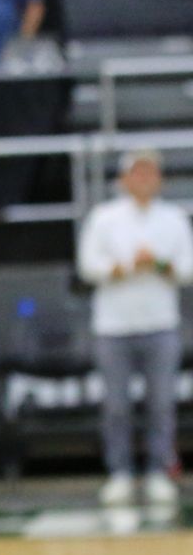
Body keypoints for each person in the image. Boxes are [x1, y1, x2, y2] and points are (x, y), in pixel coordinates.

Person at [77, 150, 193, 507]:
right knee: (116, 406)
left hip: (161, 325)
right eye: (137, 173)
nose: (144, 179)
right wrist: (127, 265)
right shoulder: (103, 218)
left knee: (161, 403)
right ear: (124, 180)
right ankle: (121, 473)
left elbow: (188, 268)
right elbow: (88, 266)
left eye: (150, 172)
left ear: (159, 179)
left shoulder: (174, 218)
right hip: (113, 328)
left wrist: (156, 263)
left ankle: (159, 470)